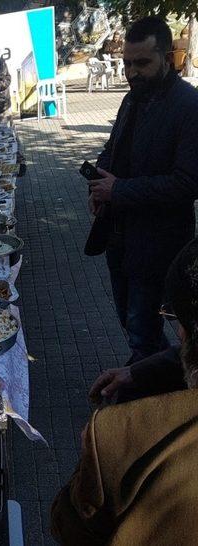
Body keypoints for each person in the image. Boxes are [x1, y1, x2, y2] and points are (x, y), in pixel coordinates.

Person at [51, 239, 198, 545]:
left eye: (176, 320)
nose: (178, 332)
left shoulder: (119, 435)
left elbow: (68, 529)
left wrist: (96, 455)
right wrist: (136, 371)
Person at [86, 16, 198, 365]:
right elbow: (112, 148)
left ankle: (152, 402)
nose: (132, 72)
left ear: (168, 58)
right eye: (127, 64)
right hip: (118, 240)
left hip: (158, 247)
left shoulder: (189, 106)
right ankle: (168, 381)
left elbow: (187, 183)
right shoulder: (132, 99)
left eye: (142, 63)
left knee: (142, 331)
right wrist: (98, 181)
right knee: (134, 324)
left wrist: (118, 190)